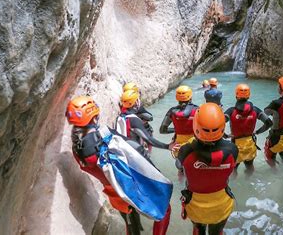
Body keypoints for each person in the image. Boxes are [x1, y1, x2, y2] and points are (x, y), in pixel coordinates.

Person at [66, 96, 171, 235]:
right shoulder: (103, 138)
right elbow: (133, 148)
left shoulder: (76, 147)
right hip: (128, 187)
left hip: (113, 192)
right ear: (93, 115)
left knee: (131, 224)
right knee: (164, 209)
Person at [178, 103, 238, 235]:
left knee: (199, 230)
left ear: (196, 125)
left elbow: (179, 165)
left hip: (195, 204)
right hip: (221, 203)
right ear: (222, 126)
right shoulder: (233, 150)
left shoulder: (185, 151)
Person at [224, 84, 273, 171]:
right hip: (250, 144)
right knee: (250, 167)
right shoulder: (255, 110)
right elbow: (269, 123)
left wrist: (225, 136)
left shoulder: (231, 111)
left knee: (233, 169)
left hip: (236, 146)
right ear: (249, 96)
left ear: (236, 95)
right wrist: (257, 132)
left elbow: (217, 125)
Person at [159, 86, 198, 159]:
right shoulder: (197, 110)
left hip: (177, 147)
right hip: (194, 145)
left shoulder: (172, 111)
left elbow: (162, 130)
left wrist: (176, 129)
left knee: (180, 167)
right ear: (190, 97)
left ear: (177, 97)